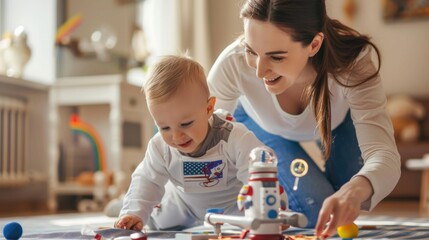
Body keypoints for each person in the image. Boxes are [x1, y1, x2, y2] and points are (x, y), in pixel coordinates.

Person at [207, 0, 401, 237]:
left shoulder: (353, 63)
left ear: (314, 44)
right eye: (251, 51)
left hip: (338, 123)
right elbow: (204, 141)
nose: (259, 71)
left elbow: (385, 155)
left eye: (276, 57)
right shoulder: (232, 64)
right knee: (316, 210)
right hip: (258, 126)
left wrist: (354, 189)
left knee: (356, 192)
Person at [114, 55, 264, 231]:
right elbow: (147, 180)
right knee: (153, 220)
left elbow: (258, 170)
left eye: (186, 124)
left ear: (208, 109)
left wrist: (262, 206)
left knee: (252, 223)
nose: (177, 137)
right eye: (164, 128)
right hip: (181, 204)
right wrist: (135, 213)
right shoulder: (160, 147)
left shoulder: (233, 137)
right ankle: (122, 205)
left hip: (229, 208)